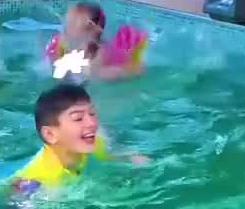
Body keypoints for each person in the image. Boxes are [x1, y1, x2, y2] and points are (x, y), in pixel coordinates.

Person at [10, 84, 148, 196]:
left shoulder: (95, 143)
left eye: (92, 113)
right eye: (78, 118)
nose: (92, 123)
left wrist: (134, 160)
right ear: (50, 134)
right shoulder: (38, 181)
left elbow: (115, 156)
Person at [45, 2, 147, 80]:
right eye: (67, 23)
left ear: (93, 30)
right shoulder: (63, 41)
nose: (66, 29)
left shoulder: (98, 52)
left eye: (72, 24)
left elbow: (91, 78)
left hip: (119, 63)